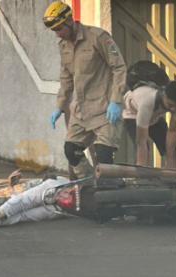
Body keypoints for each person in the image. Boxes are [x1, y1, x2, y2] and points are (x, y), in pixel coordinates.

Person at [44, 1, 127, 179]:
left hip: (104, 108)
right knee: (71, 150)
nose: (58, 34)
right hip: (80, 112)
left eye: (59, 29)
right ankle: (89, 184)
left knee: (103, 154)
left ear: (69, 20)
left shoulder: (97, 36)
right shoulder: (64, 46)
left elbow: (119, 68)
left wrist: (115, 100)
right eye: (54, 31)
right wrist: (60, 106)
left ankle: (107, 192)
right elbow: (66, 79)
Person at [0, 170, 70, 228]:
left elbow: (21, 201)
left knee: (23, 207)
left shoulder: (57, 180)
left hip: (57, 193)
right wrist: (11, 186)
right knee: (22, 215)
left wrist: (11, 186)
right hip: (59, 210)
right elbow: (18, 201)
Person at [122, 80, 176, 169]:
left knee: (173, 150)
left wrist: (171, 167)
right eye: (170, 105)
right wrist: (142, 170)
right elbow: (141, 142)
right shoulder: (147, 102)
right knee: (145, 148)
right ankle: (142, 175)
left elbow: (172, 131)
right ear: (163, 96)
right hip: (133, 114)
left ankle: (173, 175)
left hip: (154, 115)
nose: (173, 109)